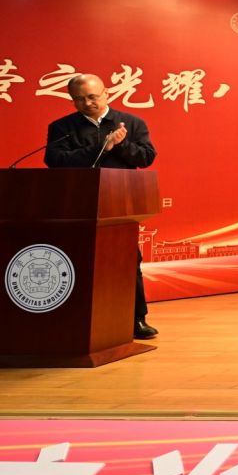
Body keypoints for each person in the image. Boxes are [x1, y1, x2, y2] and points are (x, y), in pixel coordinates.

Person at [43, 72, 158, 339]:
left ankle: (136, 319)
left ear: (106, 93)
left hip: (120, 204)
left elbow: (146, 158)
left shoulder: (131, 122)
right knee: (80, 260)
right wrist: (103, 148)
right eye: (79, 99)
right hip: (78, 204)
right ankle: (78, 319)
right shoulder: (62, 127)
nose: (87, 103)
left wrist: (121, 144)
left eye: (92, 97)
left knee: (127, 261)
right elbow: (55, 161)